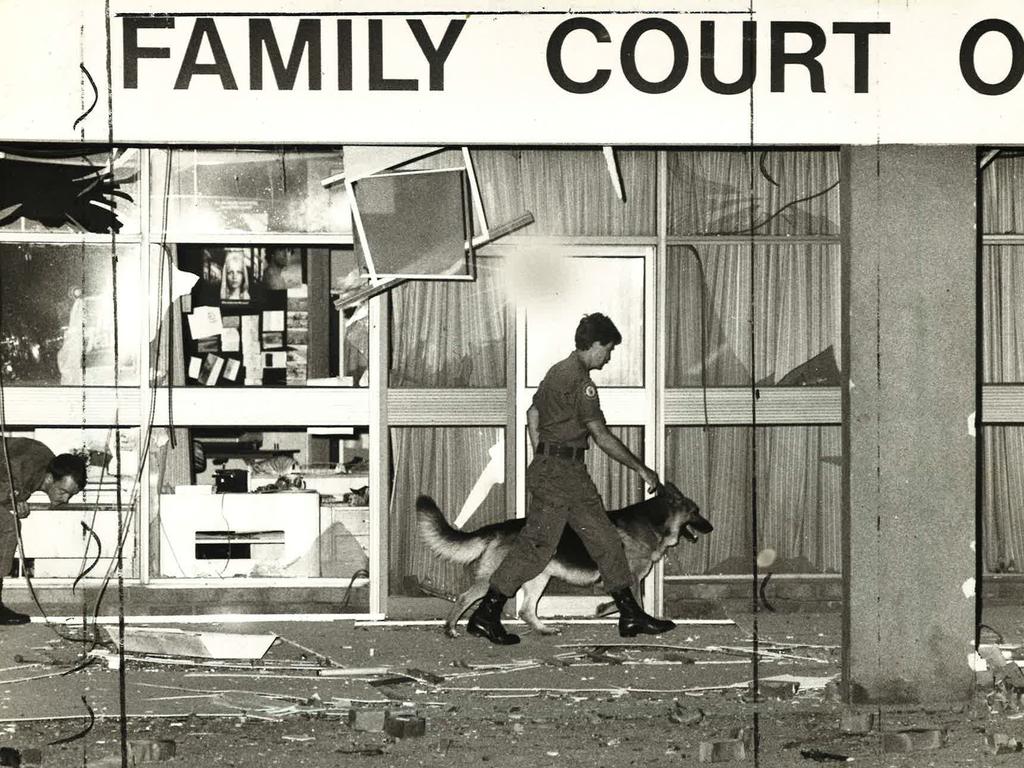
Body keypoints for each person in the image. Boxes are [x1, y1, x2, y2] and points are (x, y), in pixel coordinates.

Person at [467, 313, 676, 645]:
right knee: (537, 548)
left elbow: (532, 413)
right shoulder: (580, 382)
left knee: (606, 540)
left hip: (563, 472)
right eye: (607, 349)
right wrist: (640, 468)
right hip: (562, 475)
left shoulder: (556, 371)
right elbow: (602, 436)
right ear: (593, 345)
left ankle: (630, 615)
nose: (608, 357)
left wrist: (543, 454)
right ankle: (485, 615)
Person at [0, 439, 87, 624]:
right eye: (63, 491)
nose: (65, 499)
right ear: (49, 479)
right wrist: (10, 497)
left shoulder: (44, 463)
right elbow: (8, 484)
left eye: (70, 495)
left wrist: (12, 499)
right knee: (9, 526)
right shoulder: (23, 468)